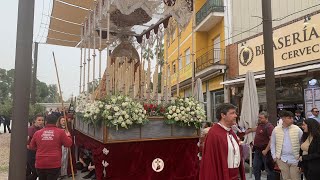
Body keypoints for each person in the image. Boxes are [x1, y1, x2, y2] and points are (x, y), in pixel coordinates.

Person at [200, 103, 246, 180]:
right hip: (222, 175)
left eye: (235, 113)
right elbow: (210, 162)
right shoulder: (214, 134)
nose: (235, 116)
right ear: (223, 115)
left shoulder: (231, 132)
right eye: (232, 113)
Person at [30, 114, 72, 180]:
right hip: (54, 163)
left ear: (45, 122)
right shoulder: (60, 132)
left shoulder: (38, 133)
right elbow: (68, 144)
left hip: (40, 163)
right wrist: (68, 136)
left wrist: (40, 148)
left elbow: (31, 146)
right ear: (56, 122)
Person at [271, 110, 303, 180]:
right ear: (283, 119)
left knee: (295, 178)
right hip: (282, 159)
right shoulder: (276, 130)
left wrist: (301, 157)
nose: (292, 120)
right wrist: (274, 157)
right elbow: (272, 143)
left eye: (292, 118)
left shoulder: (297, 129)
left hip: (295, 159)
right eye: (289, 118)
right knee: (286, 178)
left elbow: (302, 144)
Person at [246, 111, 275, 180]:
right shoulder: (260, 125)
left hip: (265, 151)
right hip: (257, 150)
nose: (259, 119)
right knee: (256, 167)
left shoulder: (269, 127)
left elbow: (272, 140)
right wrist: (249, 130)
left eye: (261, 118)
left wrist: (266, 150)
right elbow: (256, 129)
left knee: (268, 169)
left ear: (266, 118)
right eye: (259, 117)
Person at [27, 114, 44, 180]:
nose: (41, 122)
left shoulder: (43, 129)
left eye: (42, 120)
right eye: (39, 120)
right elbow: (27, 143)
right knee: (35, 172)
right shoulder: (31, 129)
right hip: (31, 153)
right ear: (35, 121)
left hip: (39, 153)